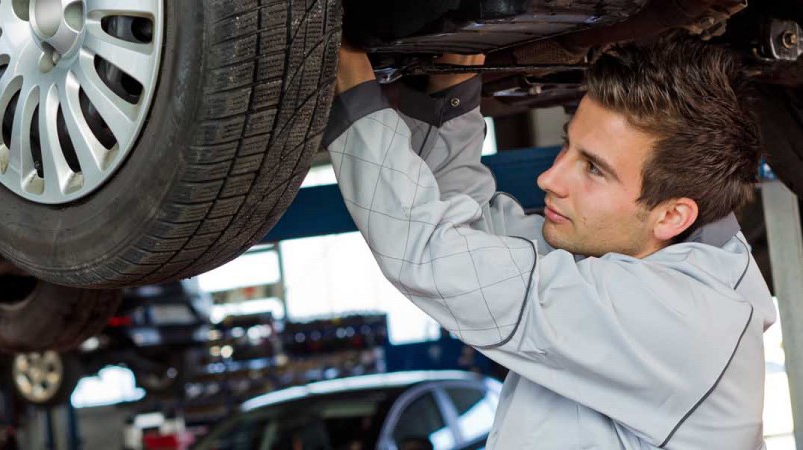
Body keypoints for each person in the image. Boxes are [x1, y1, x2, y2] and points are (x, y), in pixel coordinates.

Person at [323, 35, 776, 449]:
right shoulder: (637, 254)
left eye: (594, 168)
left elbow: (428, 254)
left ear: (672, 215)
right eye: (567, 146)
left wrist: (353, 85)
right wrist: (450, 94)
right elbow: (468, 234)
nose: (548, 177)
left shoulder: (684, 323)